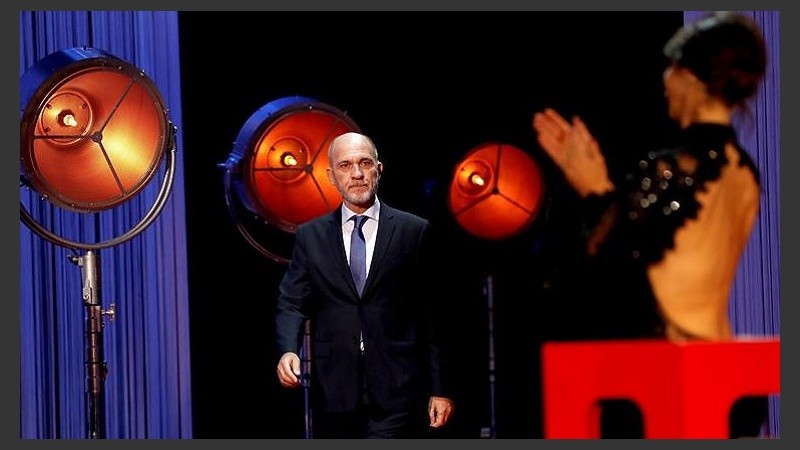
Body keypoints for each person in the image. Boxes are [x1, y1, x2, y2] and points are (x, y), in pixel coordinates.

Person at [532, 11, 768, 437]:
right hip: (721, 373)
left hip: (666, 381)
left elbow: (603, 265)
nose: (665, 82)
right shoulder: (744, 172)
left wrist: (595, 191)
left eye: (672, 69)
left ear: (693, 79)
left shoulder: (671, 171)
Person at [274, 131, 455, 438]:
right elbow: (292, 301)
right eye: (345, 166)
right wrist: (287, 350)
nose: (356, 174)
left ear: (379, 170)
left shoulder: (414, 232)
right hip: (334, 389)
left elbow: (436, 315)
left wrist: (442, 389)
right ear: (331, 176)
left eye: (364, 163)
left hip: (399, 387)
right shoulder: (311, 237)